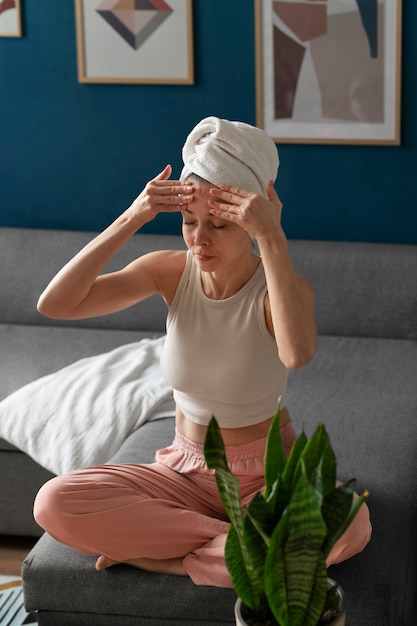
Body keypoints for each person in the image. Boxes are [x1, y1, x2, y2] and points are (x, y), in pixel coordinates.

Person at [33, 116, 371, 587]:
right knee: (54, 503)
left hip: (265, 477)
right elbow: (56, 303)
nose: (200, 239)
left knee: (350, 523)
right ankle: (248, 548)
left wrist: (273, 237)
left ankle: (173, 559)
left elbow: (297, 354)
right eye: (190, 222)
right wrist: (133, 216)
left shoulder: (282, 290)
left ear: (250, 222)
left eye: (219, 225)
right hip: (180, 474)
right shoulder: (169, 272)